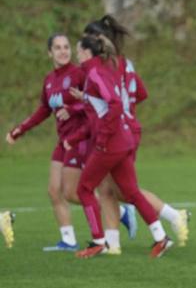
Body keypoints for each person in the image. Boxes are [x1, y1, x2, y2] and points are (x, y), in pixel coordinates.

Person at [81, 15, 189, 254]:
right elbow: (141, 92)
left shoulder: (105, 65)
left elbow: (114, 101)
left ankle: (171, 216)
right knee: (110, 188)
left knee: (119, 188)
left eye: (87, 39)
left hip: (117, 131)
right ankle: (114, 243)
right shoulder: (124, 62)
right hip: (129, 128)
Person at [64, 35, 172, 259]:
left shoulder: (94, 72)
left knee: (84, 188)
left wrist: (102, 140)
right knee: (131, 191)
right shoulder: (99, 71)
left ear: (86, 52)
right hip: (122, 141)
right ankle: (161, 238)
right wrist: (84, 102)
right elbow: (101, 107)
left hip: (112, 144)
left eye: (77, 50)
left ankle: (98, 241)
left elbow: (113, 104)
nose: (76, 55)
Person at [6, 34, 86, 252]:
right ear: (49, 53)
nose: (63, 51)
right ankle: (68, 241)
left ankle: (116, 211)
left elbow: (93, 102)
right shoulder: (50, 80)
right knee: (53, 190)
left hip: (80, 138)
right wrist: (19, 130)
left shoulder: (79, 73)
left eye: (66, 47)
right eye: (58, 48)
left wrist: (73, 109)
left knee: (73, 192)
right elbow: (43, 110)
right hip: (63, 141)